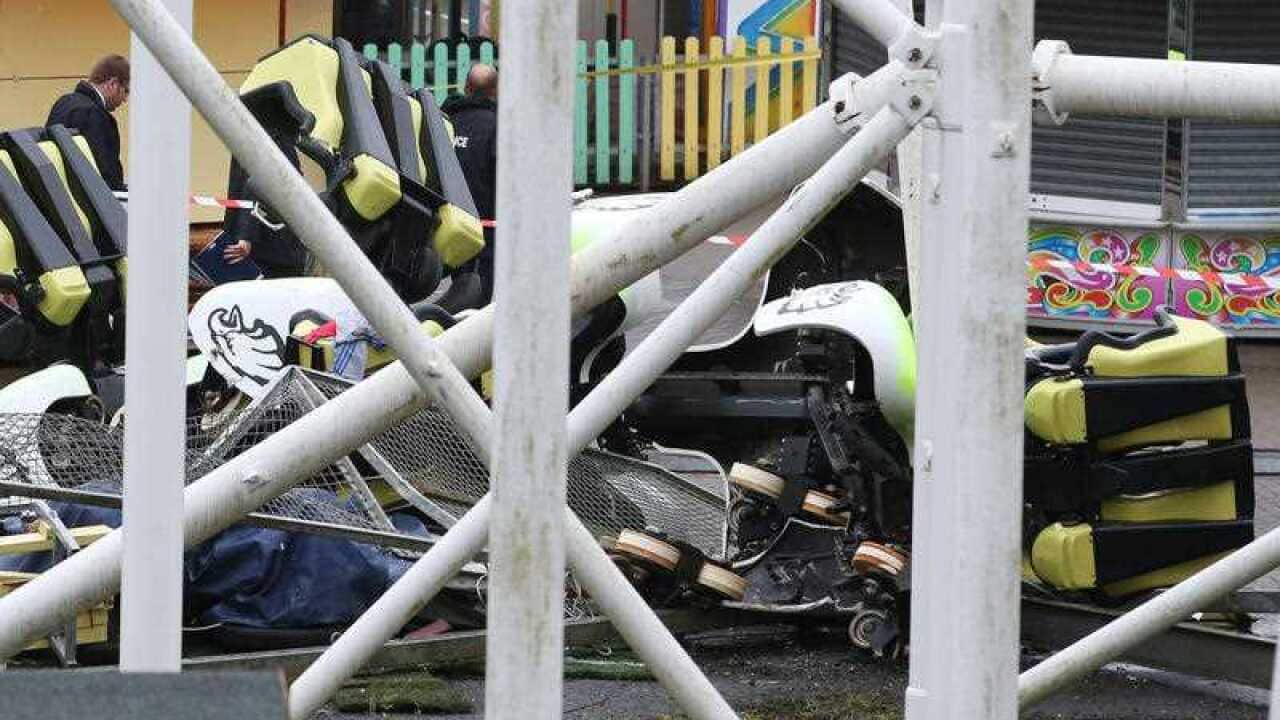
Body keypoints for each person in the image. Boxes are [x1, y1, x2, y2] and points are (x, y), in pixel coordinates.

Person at [442, 63, 498, 302]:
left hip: (448, 220)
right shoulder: (497, 125)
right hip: (485, 225)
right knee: (480, 293)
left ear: (466, 88)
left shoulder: (443, 120)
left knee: (460, 285)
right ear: (495, 91)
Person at [47, 55, 130, 192]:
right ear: (113, 84)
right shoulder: (95, 115)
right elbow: (106, 177)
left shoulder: (63, 102)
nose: (125, 99)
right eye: (126, 91)